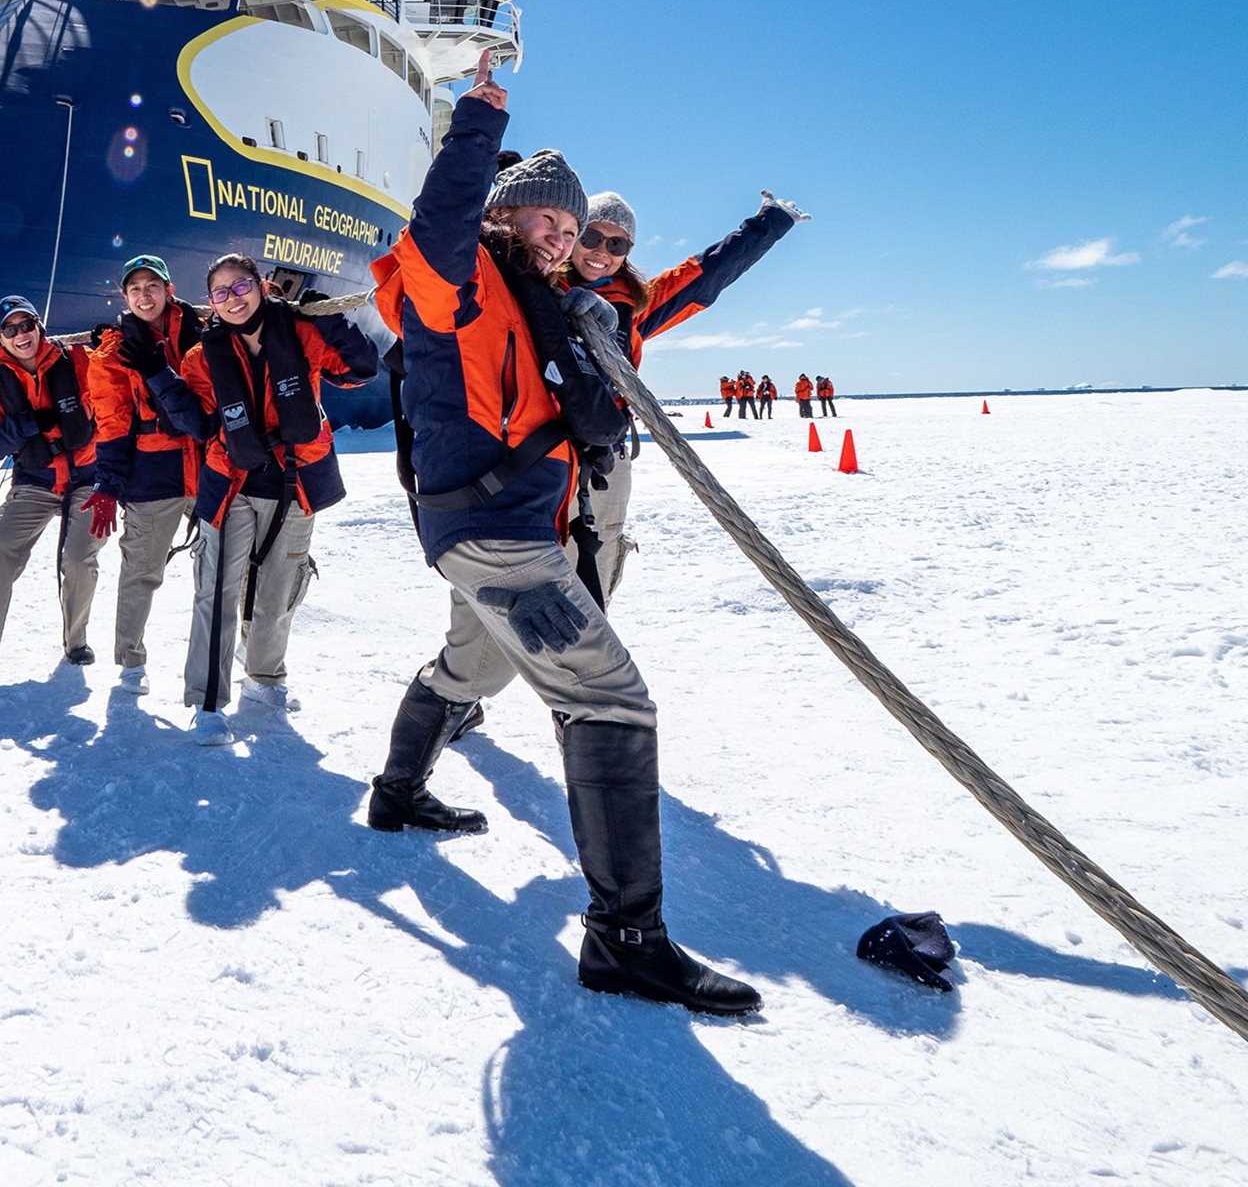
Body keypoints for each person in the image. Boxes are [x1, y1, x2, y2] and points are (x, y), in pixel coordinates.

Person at [366, 50, 759, 1015]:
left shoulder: (541, 306)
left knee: (473, 670)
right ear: (504, 214)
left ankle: (396, 790)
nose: (564, 239)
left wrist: (589, 330)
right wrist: (479, 120)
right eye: (552, 221)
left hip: (502, 532)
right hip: (496, 535)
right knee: (611, 701)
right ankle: (627, 939)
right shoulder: (454, 277)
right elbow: (440, 222)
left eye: (577, 230)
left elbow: (589, 423)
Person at [558, 188, 804, 604]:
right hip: (541, 450)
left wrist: (771, 223)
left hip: (604, 456)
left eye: (617, 243)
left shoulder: (635, 305)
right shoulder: (533, 283)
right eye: (592, 237)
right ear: (573, 234)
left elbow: (708, 273)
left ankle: (589, 654)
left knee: (596, 562)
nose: (602, 251)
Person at [175, 254, 377, 744]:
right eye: (220, 292)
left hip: (295, 482)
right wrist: (162, 386)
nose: (233, 298)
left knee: (279, 589)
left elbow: (361, 368)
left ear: (262, 286)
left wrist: (330, 318)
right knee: (216, 589)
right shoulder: (201, 359)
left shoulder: (302, 332)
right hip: (233, 483)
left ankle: (265, 678)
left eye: (240, 286)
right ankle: (207, 702)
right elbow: (200, 421)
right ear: (211, 304)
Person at [0, 297, 107, 675]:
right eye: (11, 329)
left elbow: (115, 394)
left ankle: (76, 639)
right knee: (0, 550)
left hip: (86, 479)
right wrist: (24, 426)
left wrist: (113, 337)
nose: (22, 335)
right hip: (34, 482)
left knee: (79, 558)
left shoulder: (80, 362)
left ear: (40, 327)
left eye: (27, 325)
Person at [85, 255, 206, 694]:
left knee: (225, 570)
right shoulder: (112, 352)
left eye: (152, 285)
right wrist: (107, 484)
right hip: (152, 473)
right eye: (135, 288)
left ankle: (242, 654)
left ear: (170, 289)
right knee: (141, 571)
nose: (144, 295)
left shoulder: (203, 331)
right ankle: (130, 661)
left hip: (208, 463)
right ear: (125, 297)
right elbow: (112, 420)